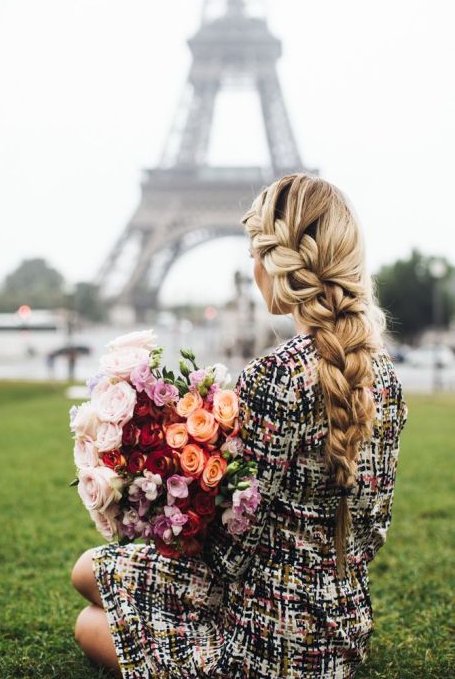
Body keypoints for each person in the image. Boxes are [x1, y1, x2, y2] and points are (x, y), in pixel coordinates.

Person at [70, 173, 409, 678]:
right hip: (342, 627)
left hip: (264, 643)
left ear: (276, 262)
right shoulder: (383, 377)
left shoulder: (272, 377)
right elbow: (373, 529)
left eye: (256, 252)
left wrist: (172, 510)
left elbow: (236, 554)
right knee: (92, 574)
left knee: (88, 612)